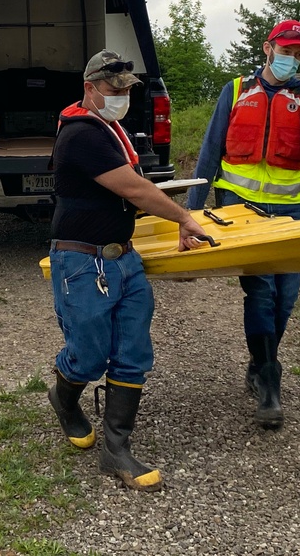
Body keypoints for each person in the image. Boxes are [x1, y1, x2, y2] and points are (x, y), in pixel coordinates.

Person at [48, 49, 209, 492]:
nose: (121, 96)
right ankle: (63, 401)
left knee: (134, 353)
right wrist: (183, 218)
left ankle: (116, 449)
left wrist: (174, 229)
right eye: (113, 88)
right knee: (88, 353)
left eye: (126, 89)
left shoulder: (112, 128)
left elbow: (134, 192)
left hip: (124, 257)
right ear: (90, 88)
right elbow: (134, 188)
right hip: (81, 260)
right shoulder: (82, 135)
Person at [187, 20, 300, 429]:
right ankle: (270, 382)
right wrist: (194, 211)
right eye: (286, 50)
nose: (292, 59)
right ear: (268, 48)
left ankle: (259, 362)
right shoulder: (234, 91)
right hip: (241, 208)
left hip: (289, 212)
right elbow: (211, 149)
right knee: (262, 290)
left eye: (299, 53)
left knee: (286, 295)